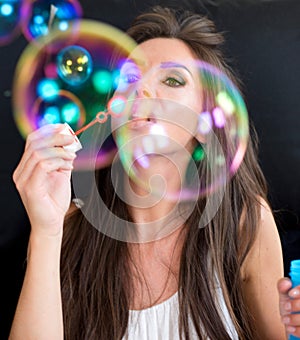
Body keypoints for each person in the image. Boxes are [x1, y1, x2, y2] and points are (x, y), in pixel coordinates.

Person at [9, 6, 300, 340]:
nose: (142, 92)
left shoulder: (242, 222)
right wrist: (45, 232)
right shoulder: (66, 226)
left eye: (173, 80)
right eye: (130, 79)